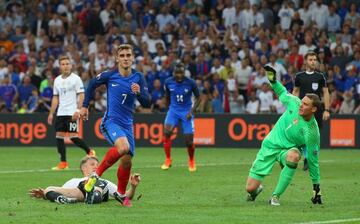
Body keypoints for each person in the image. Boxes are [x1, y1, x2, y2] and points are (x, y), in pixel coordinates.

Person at [79, 44, 150, 207]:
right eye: (122, 55)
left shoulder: (138, 77)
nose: (125, 58)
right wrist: (84, 106)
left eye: (128, 55)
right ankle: (95, 175)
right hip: (110, 121)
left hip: (127, 124)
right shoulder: (110, 75)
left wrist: (138, 92)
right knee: (123, 148)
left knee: (127, 162)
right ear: (117, 58)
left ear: (132, 58)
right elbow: (91, 84)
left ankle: (120, 193)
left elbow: (147, 102)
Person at [245, 65, 322, 206]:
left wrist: (316, 187)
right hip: (270, 145)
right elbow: (281, 92)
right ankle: (256, 191)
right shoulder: (294, 102)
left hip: (288, 150)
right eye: (302, 102)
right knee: (249, 188)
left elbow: (312, 160)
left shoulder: (312, 131)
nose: (301, 105)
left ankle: (275, 197)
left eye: (305, 104)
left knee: (294, 156)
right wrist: (273, 80)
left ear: (314, 109)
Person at [47, 55, 95, 170]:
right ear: (60, 67)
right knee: (59, 137)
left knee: (73, 137)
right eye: (63, 64)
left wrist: (78, 110)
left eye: (67, 64)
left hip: (72, 112)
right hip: (61, 113)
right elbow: (55, 97)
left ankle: (89, 151)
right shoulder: (57, 80)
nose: (65, 66)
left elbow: (82, 95)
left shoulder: (76, 79)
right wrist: (51, 113)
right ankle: (63, 163)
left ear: (71, 65)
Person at [29, 156, 141, 204]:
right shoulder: (74, 180)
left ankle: (93, 196)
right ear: (83, 168)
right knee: (48, 188)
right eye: (92, 164)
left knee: (97, 183)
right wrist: (45, 194)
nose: (96, 167)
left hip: (97, 187)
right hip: (80, 191)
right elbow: (62, 189)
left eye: (98, 164)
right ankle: (63, 200)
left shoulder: (104, 181)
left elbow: (125, 196)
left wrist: (133, 186)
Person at [292, 51, 330, 171]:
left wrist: (327, 110)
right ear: (305, 61)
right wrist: (292, 108)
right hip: (303, 110)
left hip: (316, 111)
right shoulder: (299, 76)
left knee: (314, 136)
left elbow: (325, 92)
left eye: (315, 60)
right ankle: (307, 157)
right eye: (311, 60)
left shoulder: (320, 76)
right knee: (302, 135)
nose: (313, 62)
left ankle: (310, 159)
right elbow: (295, 92)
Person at [161, 63, 200, 172]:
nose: (179, 75)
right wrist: (169, 108)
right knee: (167, 132)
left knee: (189, 141)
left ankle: (191, 160)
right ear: (174, 73)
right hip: (173, 110)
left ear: (184, 72)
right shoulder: (168, 82)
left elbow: (199, 98)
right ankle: (168, 159)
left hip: (187, 112)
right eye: (177, 73)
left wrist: (191, 111)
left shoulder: (191, 82)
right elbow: (167, 95)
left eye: (181, 73)